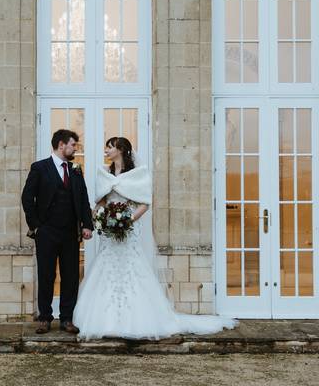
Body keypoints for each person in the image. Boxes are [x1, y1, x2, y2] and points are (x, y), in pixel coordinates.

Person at [73, 136, 237, 340]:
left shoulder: (136, 174)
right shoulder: (104, 173)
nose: (106, 150)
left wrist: (127, 220)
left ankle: (136, 320)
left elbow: (144, 203)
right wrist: (97, 216)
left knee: (132, 269)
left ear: (121, 150)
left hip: (128, 231)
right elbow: (103, 202)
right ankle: (105, 320)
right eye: (106, 147)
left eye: (110, 147)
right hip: (109, 234)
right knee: (106, 267)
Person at [20, 129, 94, 334]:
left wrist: (87, 225)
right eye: (73, 145)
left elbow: (83, 199)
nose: (75, 149)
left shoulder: (76, 169)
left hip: (70, 232)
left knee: (71, 276)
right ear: (61, 145)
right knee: (46, 275)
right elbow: (27, 198)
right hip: (47, 232)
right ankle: (45, 317)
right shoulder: (39, 168)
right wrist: (36, 226)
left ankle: (67, 319)